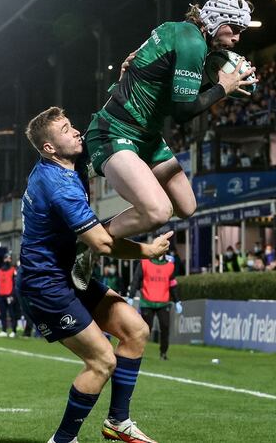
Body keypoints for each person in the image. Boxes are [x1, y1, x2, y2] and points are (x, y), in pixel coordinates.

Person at [73, 0, 257, 290]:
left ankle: (96, 231)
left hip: (146, 135)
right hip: (116, 130)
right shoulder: (193, 43)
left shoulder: (179, 30)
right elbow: (183, 112)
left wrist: (212, 78)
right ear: (215, 20)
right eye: (233, 28)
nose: (237, 37)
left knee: (187, 206)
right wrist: (223, 87)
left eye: (240, 32)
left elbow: (148, 73)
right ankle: (88, 241)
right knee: (159, 211)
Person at [20, 107, 173, 443]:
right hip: (44, 285)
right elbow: (102, 244)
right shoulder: (59, 185)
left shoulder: (66, 162)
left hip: (66, 275)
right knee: (102, 361)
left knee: (135, 330)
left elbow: (107, 117)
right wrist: (147, 251)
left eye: (71, 124)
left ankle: (118, 422)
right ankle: (63, 440)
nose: (75, 132)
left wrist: (128, 76)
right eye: (65, 129)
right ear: (49, 148)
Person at [131, 255, 182, 361]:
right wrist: (131, 296)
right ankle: (138, 352)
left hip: (163, 303)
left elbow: (172, 285)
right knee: (145, 330)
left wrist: (177, 301)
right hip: (146, 303)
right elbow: (136, 280)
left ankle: (163, 353)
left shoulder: (169, 266)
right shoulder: (144, 263)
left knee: (165, 327)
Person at [0, 255, 19, 337]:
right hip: (1, 295)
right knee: (3, 314)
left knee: (12, 313)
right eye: (6, 258)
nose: (7, 260)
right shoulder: (0, 271)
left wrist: (13, 294)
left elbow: (16, 283)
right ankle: (4, 330)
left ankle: (14, 331)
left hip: (10, 295)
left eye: (9, 258)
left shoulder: (13, 270)